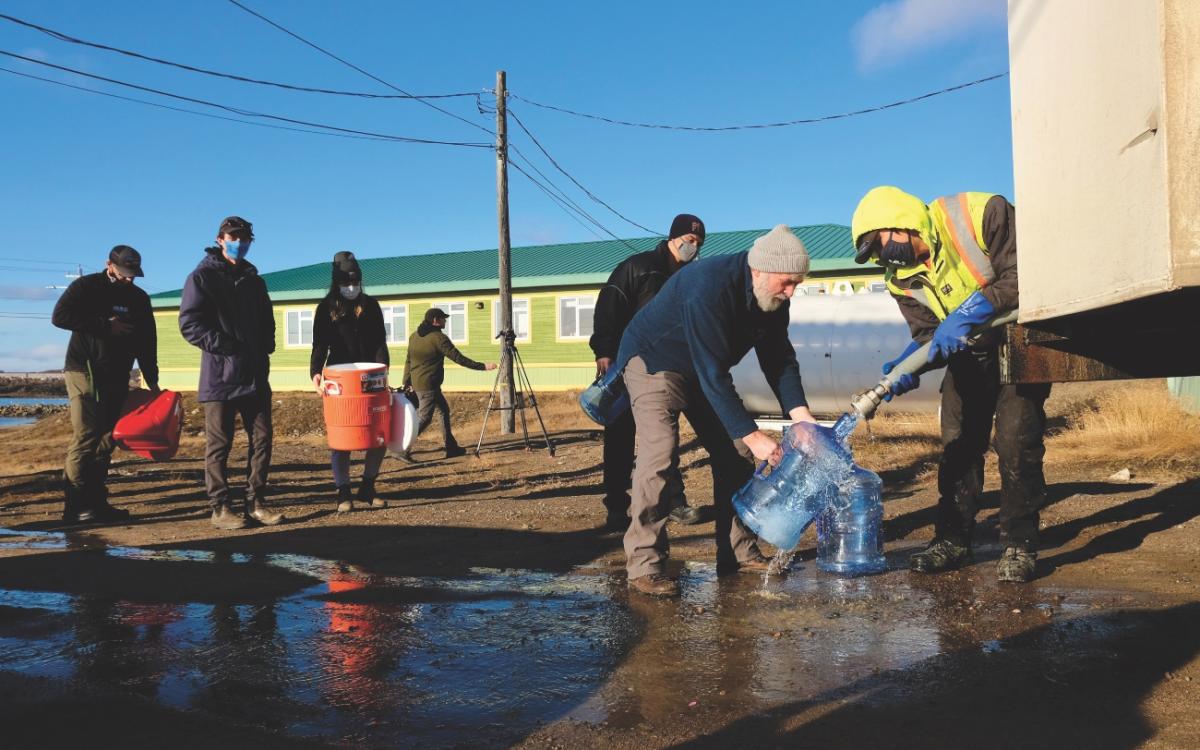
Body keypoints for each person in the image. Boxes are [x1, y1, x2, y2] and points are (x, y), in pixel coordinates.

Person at [851, 186, 1051, 583]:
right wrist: (908, 367)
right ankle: (953, 539)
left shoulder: (979, 214)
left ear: (899, 224)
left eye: (878, 245)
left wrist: (973, 308)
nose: (879, 258)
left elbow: (1026, 272)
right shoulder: (899, 281)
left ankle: (1019, 544)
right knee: (958, 445)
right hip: (968, 357)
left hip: (1017, 342)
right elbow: (929, 336)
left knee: (1015, 441)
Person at [613, 224, 817, 597]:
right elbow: (712, 372)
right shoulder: (706, 285)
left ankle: (738, 551)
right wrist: (753, 434)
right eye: (786, 283)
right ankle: (645, 565)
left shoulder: (772, 301)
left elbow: (779, 360)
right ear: (759, 270)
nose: (790, 293)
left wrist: (801, 417)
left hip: (701, 370)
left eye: (796, 285)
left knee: (736, 454)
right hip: (653, 362)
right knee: (660, 452)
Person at [590, 214, 707, 532]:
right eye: (690, 240)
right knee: (620, 438)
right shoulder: (638, 267)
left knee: (664, 438)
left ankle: (675, 503)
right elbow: (608, 306)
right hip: (628, 365)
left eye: (698, 244)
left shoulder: (692, 278)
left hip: (670, 368)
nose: (693, 247)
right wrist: (604, 351)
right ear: (674, 237)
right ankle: (616, 508)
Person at [179, 215, 283, 531]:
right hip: (220, 377)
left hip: (254, 375)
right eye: (233, 237)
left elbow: (267, 320)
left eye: (245, 238)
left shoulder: (255, 281)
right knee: (219, 445)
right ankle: (221, 507)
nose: (240, 243)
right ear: (220, 238)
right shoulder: (202, 278)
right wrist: (228, 347)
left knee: (262, 439)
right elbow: (190, 324)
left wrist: (265, 345)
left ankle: (256, 502)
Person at [51, 245, 159, 524]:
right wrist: (104, 325)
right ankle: (74, 507)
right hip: (84, 370)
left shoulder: (139, 298)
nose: (129, 279)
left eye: (134, 274)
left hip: (117, 374)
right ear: (109, 264)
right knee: (87, 436)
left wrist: (152, 379)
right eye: (125, 273)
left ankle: (97, 504)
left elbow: (147, 341)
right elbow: (59, 317)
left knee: (107, 439)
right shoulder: (87, 287)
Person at [310, 251, 390, 513]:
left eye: (355, 282)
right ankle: (343, 492)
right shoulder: (325, 309)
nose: (351, 287)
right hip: (339, 376)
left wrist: (383, 370)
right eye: (345, 283)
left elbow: (380, 342)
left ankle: (368, 487)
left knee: (378, 435)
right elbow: (319, 345)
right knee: (341, 437)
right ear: (337, 283)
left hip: (370, 376)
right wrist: (316, 372)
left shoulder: (371, 306)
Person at [401, 308, 496, 459]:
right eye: (443, 318)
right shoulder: (438, 338)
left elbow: (408, 361)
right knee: (424, 418)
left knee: (443, 411)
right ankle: (401, 448)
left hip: (419, 383)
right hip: (428, 385)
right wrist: (483, 366)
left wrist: (406, 381)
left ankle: (451, 448)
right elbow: (458, 358)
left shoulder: (414, 336)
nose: (445, 321)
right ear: (435, 321)